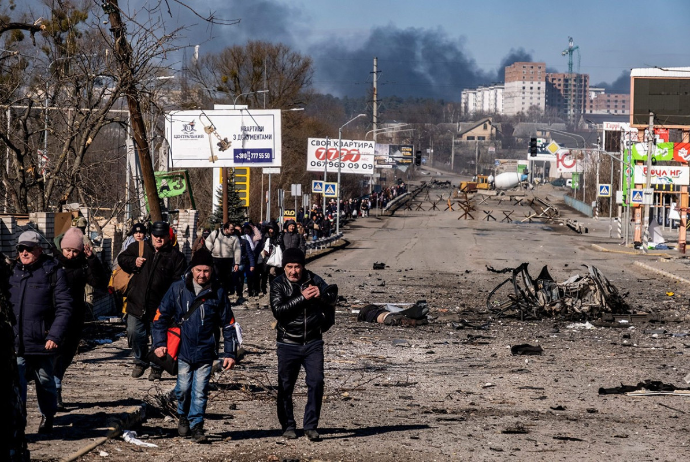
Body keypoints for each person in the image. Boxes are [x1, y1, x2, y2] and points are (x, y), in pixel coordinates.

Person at [152, 247, 238, 444]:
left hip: (206, 351)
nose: (202, 275)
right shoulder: (178, 289)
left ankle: (197, 425)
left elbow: (229, 323)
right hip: (183, 350)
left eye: (206, 271)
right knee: (183, 388)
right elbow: (160, 317)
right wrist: (159, 343)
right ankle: (183, 414)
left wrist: (230, 353)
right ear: (192, 269)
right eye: (198, 270)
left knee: (200, 391)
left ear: (212, 271)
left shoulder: (218, 292)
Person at [9, 230, 73, 434]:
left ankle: (48, 415)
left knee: (45, 383)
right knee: (17, 385)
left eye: (29, 248)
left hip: (42, 340)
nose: (24, 253)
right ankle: (20, 422)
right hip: (16, 341)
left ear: (39, 249)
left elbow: (64, 307)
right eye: (21, 249)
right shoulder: (11, 272)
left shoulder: (52, 272)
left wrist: (54, 335)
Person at [270, 248, 337, 441]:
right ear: (284, 267)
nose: (293, 271)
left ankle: (311, 426)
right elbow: (279, 311)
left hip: (313, 342)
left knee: (316, 382)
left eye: (297, 267)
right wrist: (303, 298)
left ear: (303, 266)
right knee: (285, 386)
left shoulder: (315, 280)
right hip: (288, 342)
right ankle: (288, 425)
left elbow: (333, 298)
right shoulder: (277, 284)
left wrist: (321, 296)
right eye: (289, 267)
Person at [118, 221, 187, 381]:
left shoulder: (175, 256)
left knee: (159, 339)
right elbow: (122, 258)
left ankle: (157, 367)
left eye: (162, 236)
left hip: (161, 306)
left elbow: (179, 283)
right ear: (151, 235)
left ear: (168, 237)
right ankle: (141, 360)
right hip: (137, 302)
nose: (159, 239)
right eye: (156, 236)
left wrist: (174, 304)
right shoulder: (139, 247)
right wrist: (133, 262)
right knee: (135, 333)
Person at [52, 228, 108, 411]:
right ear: (62, 247)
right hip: (54, 316)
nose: (70, 254)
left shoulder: (83, 265)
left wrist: (92, 259)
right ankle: (54, 391)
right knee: (55, 355)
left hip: (75, 316)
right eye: (68, 250)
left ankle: (55, 385)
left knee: (67, 354)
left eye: (75, 251)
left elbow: (99, 283)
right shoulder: (52, 263)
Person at [205, 222, 241, 296]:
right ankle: (215, 293)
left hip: (228, 260)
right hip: (216, 258)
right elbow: (208, 241)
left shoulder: (234, 237)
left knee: (226, 279)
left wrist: (237, 263)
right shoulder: (216, 233)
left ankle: (224, 294)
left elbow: (237, 250)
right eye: (231, 229)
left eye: (233, 229)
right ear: (226, 229)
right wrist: (212, 249)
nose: (233, 231)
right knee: (216, 277)